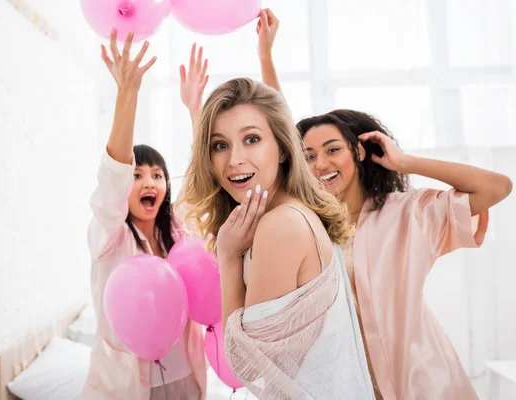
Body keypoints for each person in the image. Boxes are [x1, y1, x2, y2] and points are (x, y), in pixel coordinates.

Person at [257, 8, 514, 399]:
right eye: (308, 155)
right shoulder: (307, 225)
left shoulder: (409, 213)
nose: (320, 164)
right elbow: (281, 134)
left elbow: (496, 187)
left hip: (424, 381)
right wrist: (266, 56)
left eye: (332, 150)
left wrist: (406, 161)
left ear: (359, 152)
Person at [177, 77, 375, 399]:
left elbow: (246, 365)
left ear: (283, 149)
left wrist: (228, 258)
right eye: (220, 145)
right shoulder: (289, 214)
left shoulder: (280, 226)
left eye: (252, 139)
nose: (235, 159)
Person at [80, 30, 207, 400]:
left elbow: (203, 182)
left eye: (156, 174)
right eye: (137, 175)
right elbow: (112, 176)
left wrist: (195, 109)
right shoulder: (109, 237)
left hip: (185, 377)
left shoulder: (179, 234)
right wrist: (127, 95)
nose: (148, 181)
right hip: (126, 386)